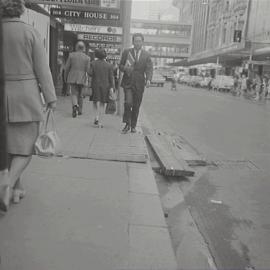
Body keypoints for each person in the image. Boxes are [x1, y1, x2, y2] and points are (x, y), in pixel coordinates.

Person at [0, 0, 57, 212]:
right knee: (25, 147)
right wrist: (51, 98)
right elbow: (43, 69)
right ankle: (6, 184)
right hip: (25, 98)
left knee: (6, 147)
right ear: (20, 8)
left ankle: (16, 189)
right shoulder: (30, 33)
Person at [119, 33, 153, 134]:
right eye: (135, 41)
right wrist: (125, 68)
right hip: (128, 82)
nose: (137, 43)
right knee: (128, 102)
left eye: (139, 41)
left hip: (139, 83)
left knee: (136, 105)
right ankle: (127, 124)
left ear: (142, 42)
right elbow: (120, 65)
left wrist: (148, 79)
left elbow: (149, 69)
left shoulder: (146, 55)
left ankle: (133, 126)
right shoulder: (127, 52)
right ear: (133, 42)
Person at [89, 48, 115, 127]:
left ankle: (96, 118)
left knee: (95, 101)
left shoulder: (93, 63)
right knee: (102, 104)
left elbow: (90, 73)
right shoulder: (109, 65)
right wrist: (112, 88)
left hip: (95, 85)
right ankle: (100, 121)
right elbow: (111, 77)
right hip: (105, 86)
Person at [64, 41, 90, 118]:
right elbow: (88, 70)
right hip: (82, 77)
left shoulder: (71, 55)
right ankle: (80, 111)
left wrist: (65, 77)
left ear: (76, 47)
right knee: (81, 94)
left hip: (72, 76)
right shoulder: (87, 58)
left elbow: (67, 67)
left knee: (74, 93)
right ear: (84, 48)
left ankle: (75, 106)